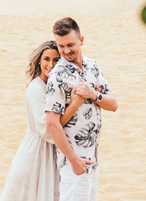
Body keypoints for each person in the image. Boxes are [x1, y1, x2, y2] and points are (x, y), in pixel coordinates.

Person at [44, 17, 118, 201]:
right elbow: (52, 124)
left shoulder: (93, 66)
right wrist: (74, 160)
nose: (66, 50)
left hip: (93, 157)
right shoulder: (57, 76)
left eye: (70, 44)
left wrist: (93, 94)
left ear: (81, 40)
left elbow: (113, 104)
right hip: (74, 161)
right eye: (61, 46)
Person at [0, 40, 78, 201]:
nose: (51, 64)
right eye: (46, 59)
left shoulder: (57, 86)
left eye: (56, 60)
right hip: (37, 151)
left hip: (55, 150)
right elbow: (48, 129)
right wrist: (76, 104)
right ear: (39, 61)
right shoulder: (36, 88)